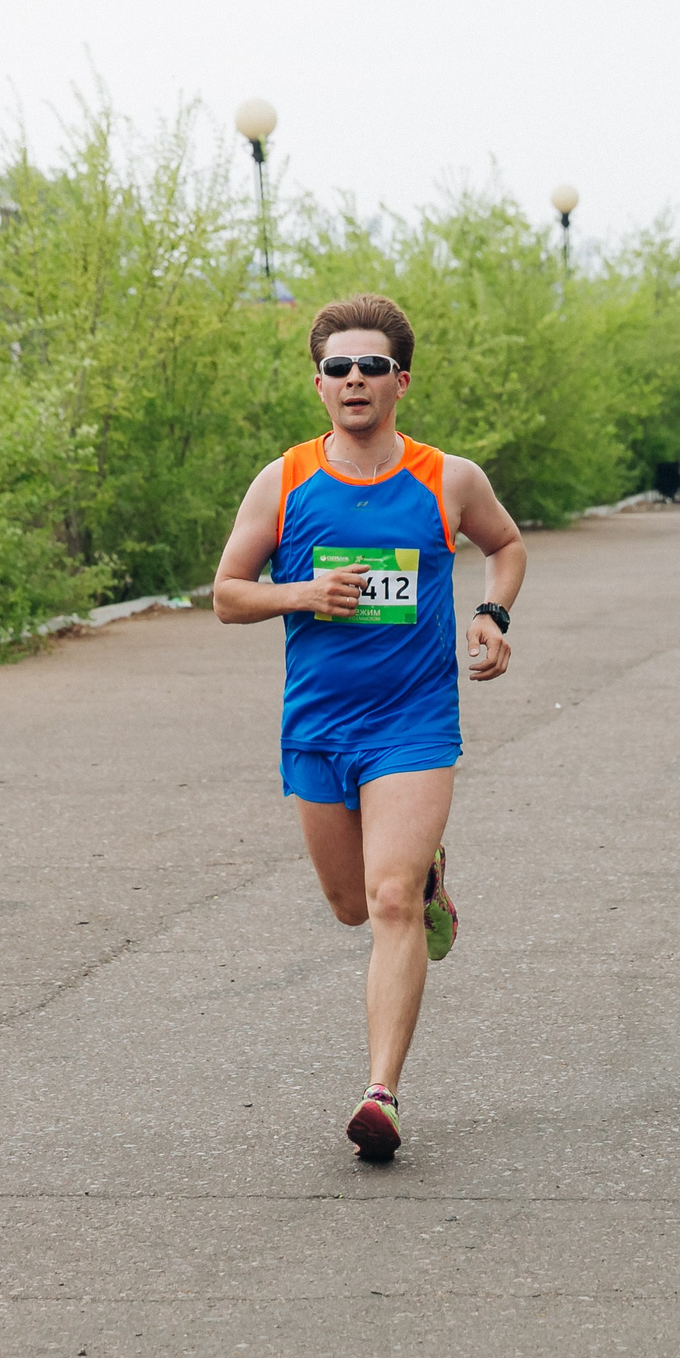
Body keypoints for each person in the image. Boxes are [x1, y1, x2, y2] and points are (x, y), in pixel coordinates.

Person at [212, 293, 527, 1163]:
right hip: (318, 726)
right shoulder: (282, 481)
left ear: (401, 381)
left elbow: (506, 545)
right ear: (318, 384)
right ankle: (424, 879)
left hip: (414, 722)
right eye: (339, 367)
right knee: (353, 905)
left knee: (388, 900)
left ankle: (380, 1093)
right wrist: (301, 592)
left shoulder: (447, 478)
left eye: (372, 366)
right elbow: (227, 593)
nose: (356, 379)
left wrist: (493, 615)